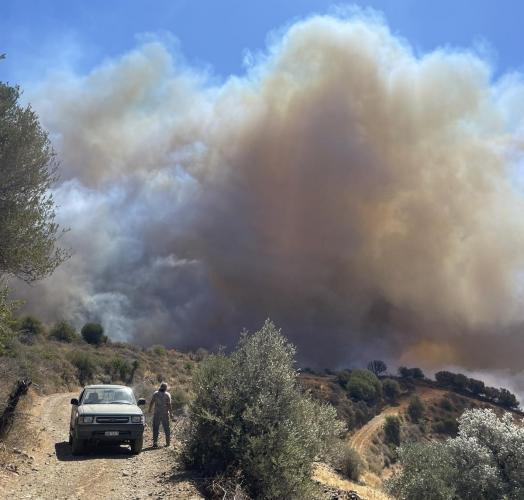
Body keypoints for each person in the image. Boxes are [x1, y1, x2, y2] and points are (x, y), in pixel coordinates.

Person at [148, 382, 173, 447]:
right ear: (166, 388)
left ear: (160, 387)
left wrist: (149, 410)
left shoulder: (155, 394)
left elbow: (151, 402)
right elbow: (169, 405)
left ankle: (155, 443)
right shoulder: (167, 395)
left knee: (155, 428)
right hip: (165, 414)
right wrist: (171, 414)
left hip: (157, 413)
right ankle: (168, 443)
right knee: (167, 428)